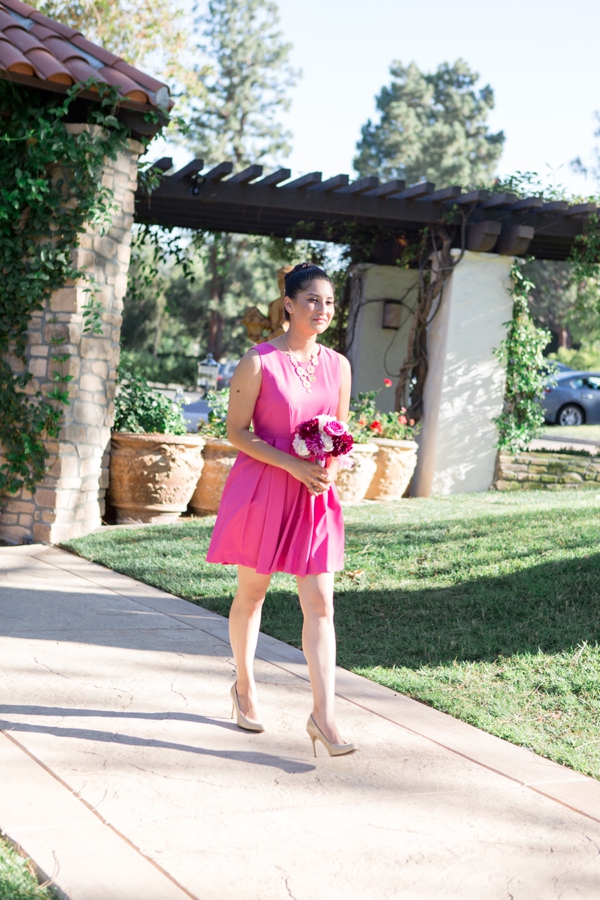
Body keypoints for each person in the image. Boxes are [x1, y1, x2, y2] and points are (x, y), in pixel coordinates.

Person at [206, 262, 356, 757]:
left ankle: (325, 717)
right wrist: (292, 465)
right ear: (288, 304)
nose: (322, 309)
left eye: (329, 302)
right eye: (312, 300)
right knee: (252, 594)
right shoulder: (259, 361)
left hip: (314, 495)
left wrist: (327, 467)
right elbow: (236, 432)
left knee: (321, 604)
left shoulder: (339, 366)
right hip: (266, 489)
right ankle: (244, 687)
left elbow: (338, 433)